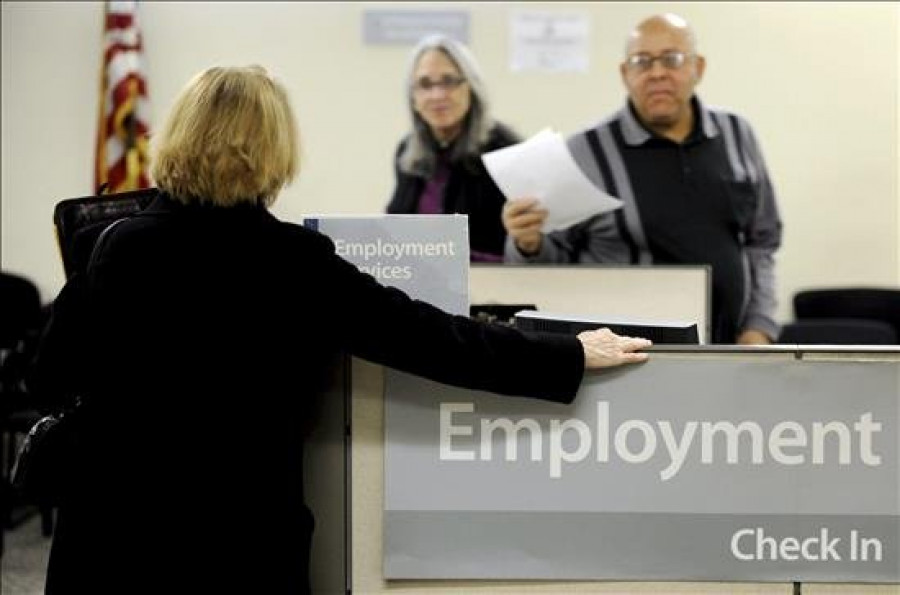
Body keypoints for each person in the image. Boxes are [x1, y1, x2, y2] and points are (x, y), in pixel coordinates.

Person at [29, 65, 651, 594]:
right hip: (243, 541)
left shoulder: (113, 244)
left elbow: (47, 377)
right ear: (274, 150)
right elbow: (430, 338)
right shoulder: (293, 259)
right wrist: (565, 353)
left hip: (110, 534)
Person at [502, 13, 783, 345]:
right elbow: (552, 270)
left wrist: (758, 327)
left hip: (730, 349)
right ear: (625, 73)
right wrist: (528, 244)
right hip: (625, 361)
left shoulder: (738, 133)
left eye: (673, 59)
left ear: (698, 68)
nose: (658, 73)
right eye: (642, 62)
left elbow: (761, 242)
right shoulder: (584, 152)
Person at [386, 34, 519, 262]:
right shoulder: (407, 151)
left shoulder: (505, 150)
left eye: (448, 81)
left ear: (471, 88)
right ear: (414, 97)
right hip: (415, 281)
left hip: (490, 287)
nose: (437, 95)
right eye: (425, 84)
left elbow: (519, 246)